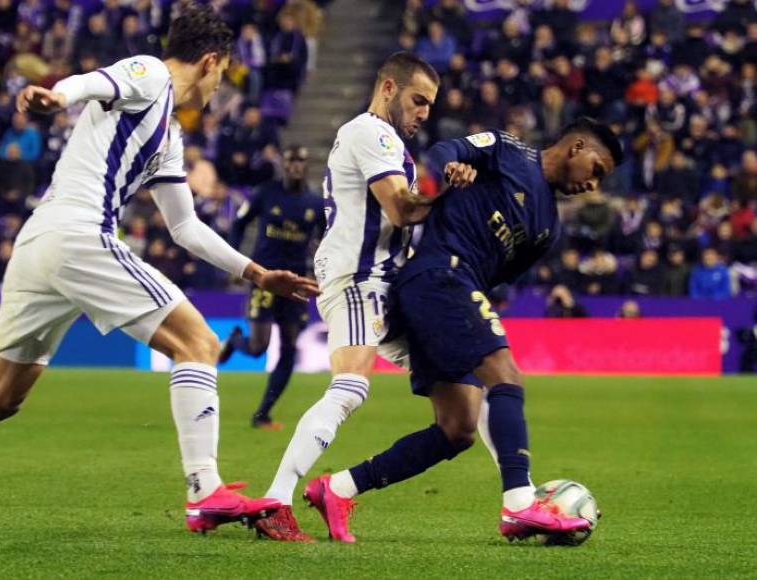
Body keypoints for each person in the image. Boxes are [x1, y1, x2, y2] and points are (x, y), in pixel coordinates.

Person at [0, 7, 319, 551]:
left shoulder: (167, 137)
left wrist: (255, 271)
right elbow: (96, 83)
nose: (218, 86)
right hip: (79, 234)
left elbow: (184, 226)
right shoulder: (152, 73)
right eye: (222, 72)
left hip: (40, 242)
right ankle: (204, 488)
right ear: (210, 61)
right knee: (200, 344)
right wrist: (55, 95)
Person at [292, 118, 623, 543]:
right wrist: (451, 172)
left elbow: (500, 274)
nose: (593, 183)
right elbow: (443, 152)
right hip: (438, 273)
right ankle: (520, 504)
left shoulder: (548, 227)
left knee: (459, 427)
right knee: (504, 374)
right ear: (578, 147)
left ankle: (337, 489)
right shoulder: (508, 150)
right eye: (597, 169)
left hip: (454, 290)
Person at [252, 52, 442, 542]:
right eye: (417, 100)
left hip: (386, 282)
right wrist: (455, 198)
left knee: (461, 383)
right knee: (351, 387)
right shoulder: (372, 133)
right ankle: (276, 499)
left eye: (429, 105)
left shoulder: (387, 143)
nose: (424, 112)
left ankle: (520, 496)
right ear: (388, 88)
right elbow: (400, 209)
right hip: (362, 278)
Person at [219, 144, 325, 430]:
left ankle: (263, 413)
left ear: (307, 165)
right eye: (290, 161)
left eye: (300, 161)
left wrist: (322, 267)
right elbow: (239, 224)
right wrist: (235, 261)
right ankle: (234, 341)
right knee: (258, 347)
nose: (295, 166)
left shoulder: (315, 203)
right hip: (264, 278)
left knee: (289, 347)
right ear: (283, 164)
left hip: (296, 282)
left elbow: (327, 238)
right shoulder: (266, 194)